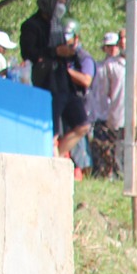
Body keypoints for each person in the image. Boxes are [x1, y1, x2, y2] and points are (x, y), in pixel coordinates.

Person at [48, 20, 95, 167]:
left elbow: (87, 80)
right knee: (53, 133)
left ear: (76, 38)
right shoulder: (57, 54)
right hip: (56, 96)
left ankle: (58, 156)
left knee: (82, 126)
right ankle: (53, 159)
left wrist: (67, 72)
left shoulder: (83, 57)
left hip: (76, 98)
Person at [86, 31, 127, 179]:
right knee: (101, 147)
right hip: (99, 113)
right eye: (108, 47)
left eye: (114, 46)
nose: (112, 50)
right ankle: (102, 172)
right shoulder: (98, 67)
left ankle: (115, 173)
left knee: (116, 147)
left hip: (114, 113)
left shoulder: (120, 65)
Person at [18, 0, 66, 92]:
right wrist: (55, 51)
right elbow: (28, 53)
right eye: (59, 3)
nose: (62, 7)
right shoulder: (31, 25)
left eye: (63, 4)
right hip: (41, 81)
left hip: (60, 81)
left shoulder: (58, 26)